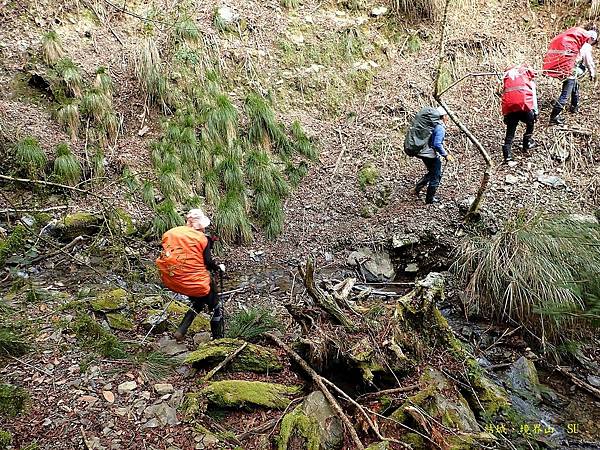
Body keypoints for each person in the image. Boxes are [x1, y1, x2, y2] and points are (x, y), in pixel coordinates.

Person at [155, 208, 226, 341]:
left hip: (172, 280)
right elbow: (208, 262)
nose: (205, 229)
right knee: (215, 304)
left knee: (199, 301)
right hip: (195, 283)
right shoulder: (201, 239)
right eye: (203, 227)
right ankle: (218, 338)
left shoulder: (171, 233)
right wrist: (219, 268)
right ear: (199, 226)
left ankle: (181, 331)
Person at [543, 24, 598, 125]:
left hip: (564, 68)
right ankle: (554, 117)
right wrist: (592, 74)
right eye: (594, 41)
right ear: (591, 39)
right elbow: (588, 62)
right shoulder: (586, 46)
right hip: (571, 70)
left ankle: (574, 106)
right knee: (565, 94)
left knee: (574, 85)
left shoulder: (576, 42)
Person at [413, 106, 454, 204]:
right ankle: (429, 199)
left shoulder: (433, 124)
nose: (448, 117)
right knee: (436, 175)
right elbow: (437, 144)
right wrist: (445, 155)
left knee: (432, 172)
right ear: (443, 116)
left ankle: (418, 187)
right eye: (447, 115)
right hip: (429, 154)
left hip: (422, 152)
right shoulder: (440, 128)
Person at [501, 65, 538, 163]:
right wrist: (535, 112)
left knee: (510, 132)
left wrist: (505, 114)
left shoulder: (507, 78)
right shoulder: (527, 80)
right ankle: (527, 142)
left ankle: (507, 155)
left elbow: (504, 94)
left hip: (511, 108)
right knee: (530, 123)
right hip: (524, 107)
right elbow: (533, 96)